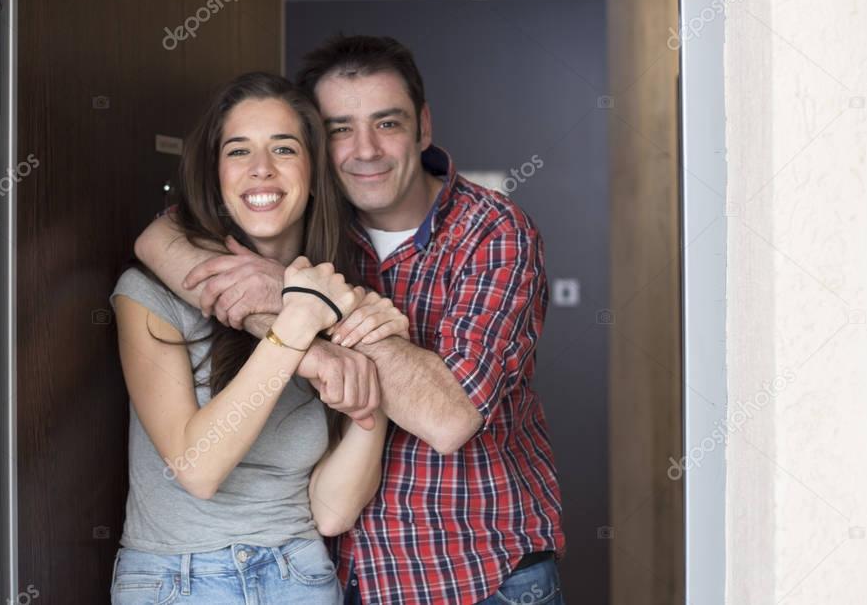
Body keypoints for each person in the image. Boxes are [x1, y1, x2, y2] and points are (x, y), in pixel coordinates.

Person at [135, 36, 566, 604]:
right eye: (340, 129)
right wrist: (310, 337)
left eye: (387, 123)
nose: (365, 150)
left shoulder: (494, 233)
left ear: (423, 127)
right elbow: (160, 236)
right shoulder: (308, 226)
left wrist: (299, 298)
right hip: (345, 575)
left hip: (477, 574)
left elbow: (448, 418)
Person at [110, 72, 410, 604]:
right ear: (217, 174)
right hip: (177, 580)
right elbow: (197, 468)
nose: (261, 169)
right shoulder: (150, 293)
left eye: (284, 148)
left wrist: (370, 394)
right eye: (238, 150)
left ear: (315, 173)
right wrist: (295, 329)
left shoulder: (336, 302)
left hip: (301, 575)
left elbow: (333, 511)